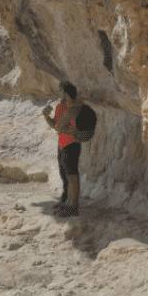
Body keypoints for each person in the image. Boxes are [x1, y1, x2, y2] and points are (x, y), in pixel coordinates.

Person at [42, 81, 81, 217]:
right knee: (64, 173)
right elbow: (55, 125)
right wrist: (46, 116)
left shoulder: (75, 107)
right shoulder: (61, 107)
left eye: (61, 91)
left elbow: (59, 126)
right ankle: (66, 200)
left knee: (72, 174)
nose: (60, 93)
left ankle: (73, 205)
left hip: (72, 143)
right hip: (62, 143)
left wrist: (58, 125)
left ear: (66, 93)